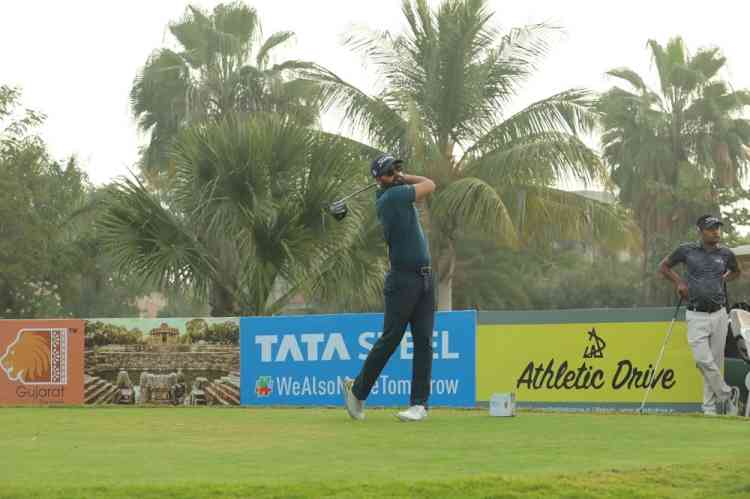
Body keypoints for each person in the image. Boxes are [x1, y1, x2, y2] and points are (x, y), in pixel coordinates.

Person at [343, 154, 436, 422]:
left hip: (425, 278)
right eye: (390, 172)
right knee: (391, 339)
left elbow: (424, 185)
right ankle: (358, 392)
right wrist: (403, 179)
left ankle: (419, 406)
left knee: (424, 342)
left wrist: (396, 177)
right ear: (379, 180)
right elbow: (430, 184)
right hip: (403, 280)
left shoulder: (393, 193)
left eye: (397, 168)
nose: (396, 173)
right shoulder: (392, 197)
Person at [658, 214, 742, 415]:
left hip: (720, 313)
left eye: (717, 228)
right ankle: (727, 394)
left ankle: (709, 409)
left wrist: (723, 280)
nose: (716, 232)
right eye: (711, 228)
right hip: (696, 314)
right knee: (702, 360)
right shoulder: (686, 250)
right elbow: (663, 267)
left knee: (714, 362)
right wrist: (679, 282)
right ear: (700, 231)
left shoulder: (725, 254)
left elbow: (736, 272)